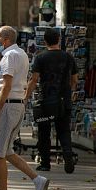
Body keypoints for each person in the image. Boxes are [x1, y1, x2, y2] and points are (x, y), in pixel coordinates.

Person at [0, 26, 49, 190]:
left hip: (7, 106)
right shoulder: (19, 54)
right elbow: (4, 77)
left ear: (5, 39)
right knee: (6, 150)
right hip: (16, 105)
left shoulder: (11, 56)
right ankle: (38, 180)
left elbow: (6, 85)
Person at [24, 28, 77, 173]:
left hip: (46, 100)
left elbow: (34, 79)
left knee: (44, 132)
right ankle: (68, 156)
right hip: (63, 101)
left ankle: (45, 163)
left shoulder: (41, 57)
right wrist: (69, 93)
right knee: (64, 131)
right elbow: (74, 79)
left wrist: (26, 97)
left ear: (44, 41)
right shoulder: (68, 57)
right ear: (59, 40)